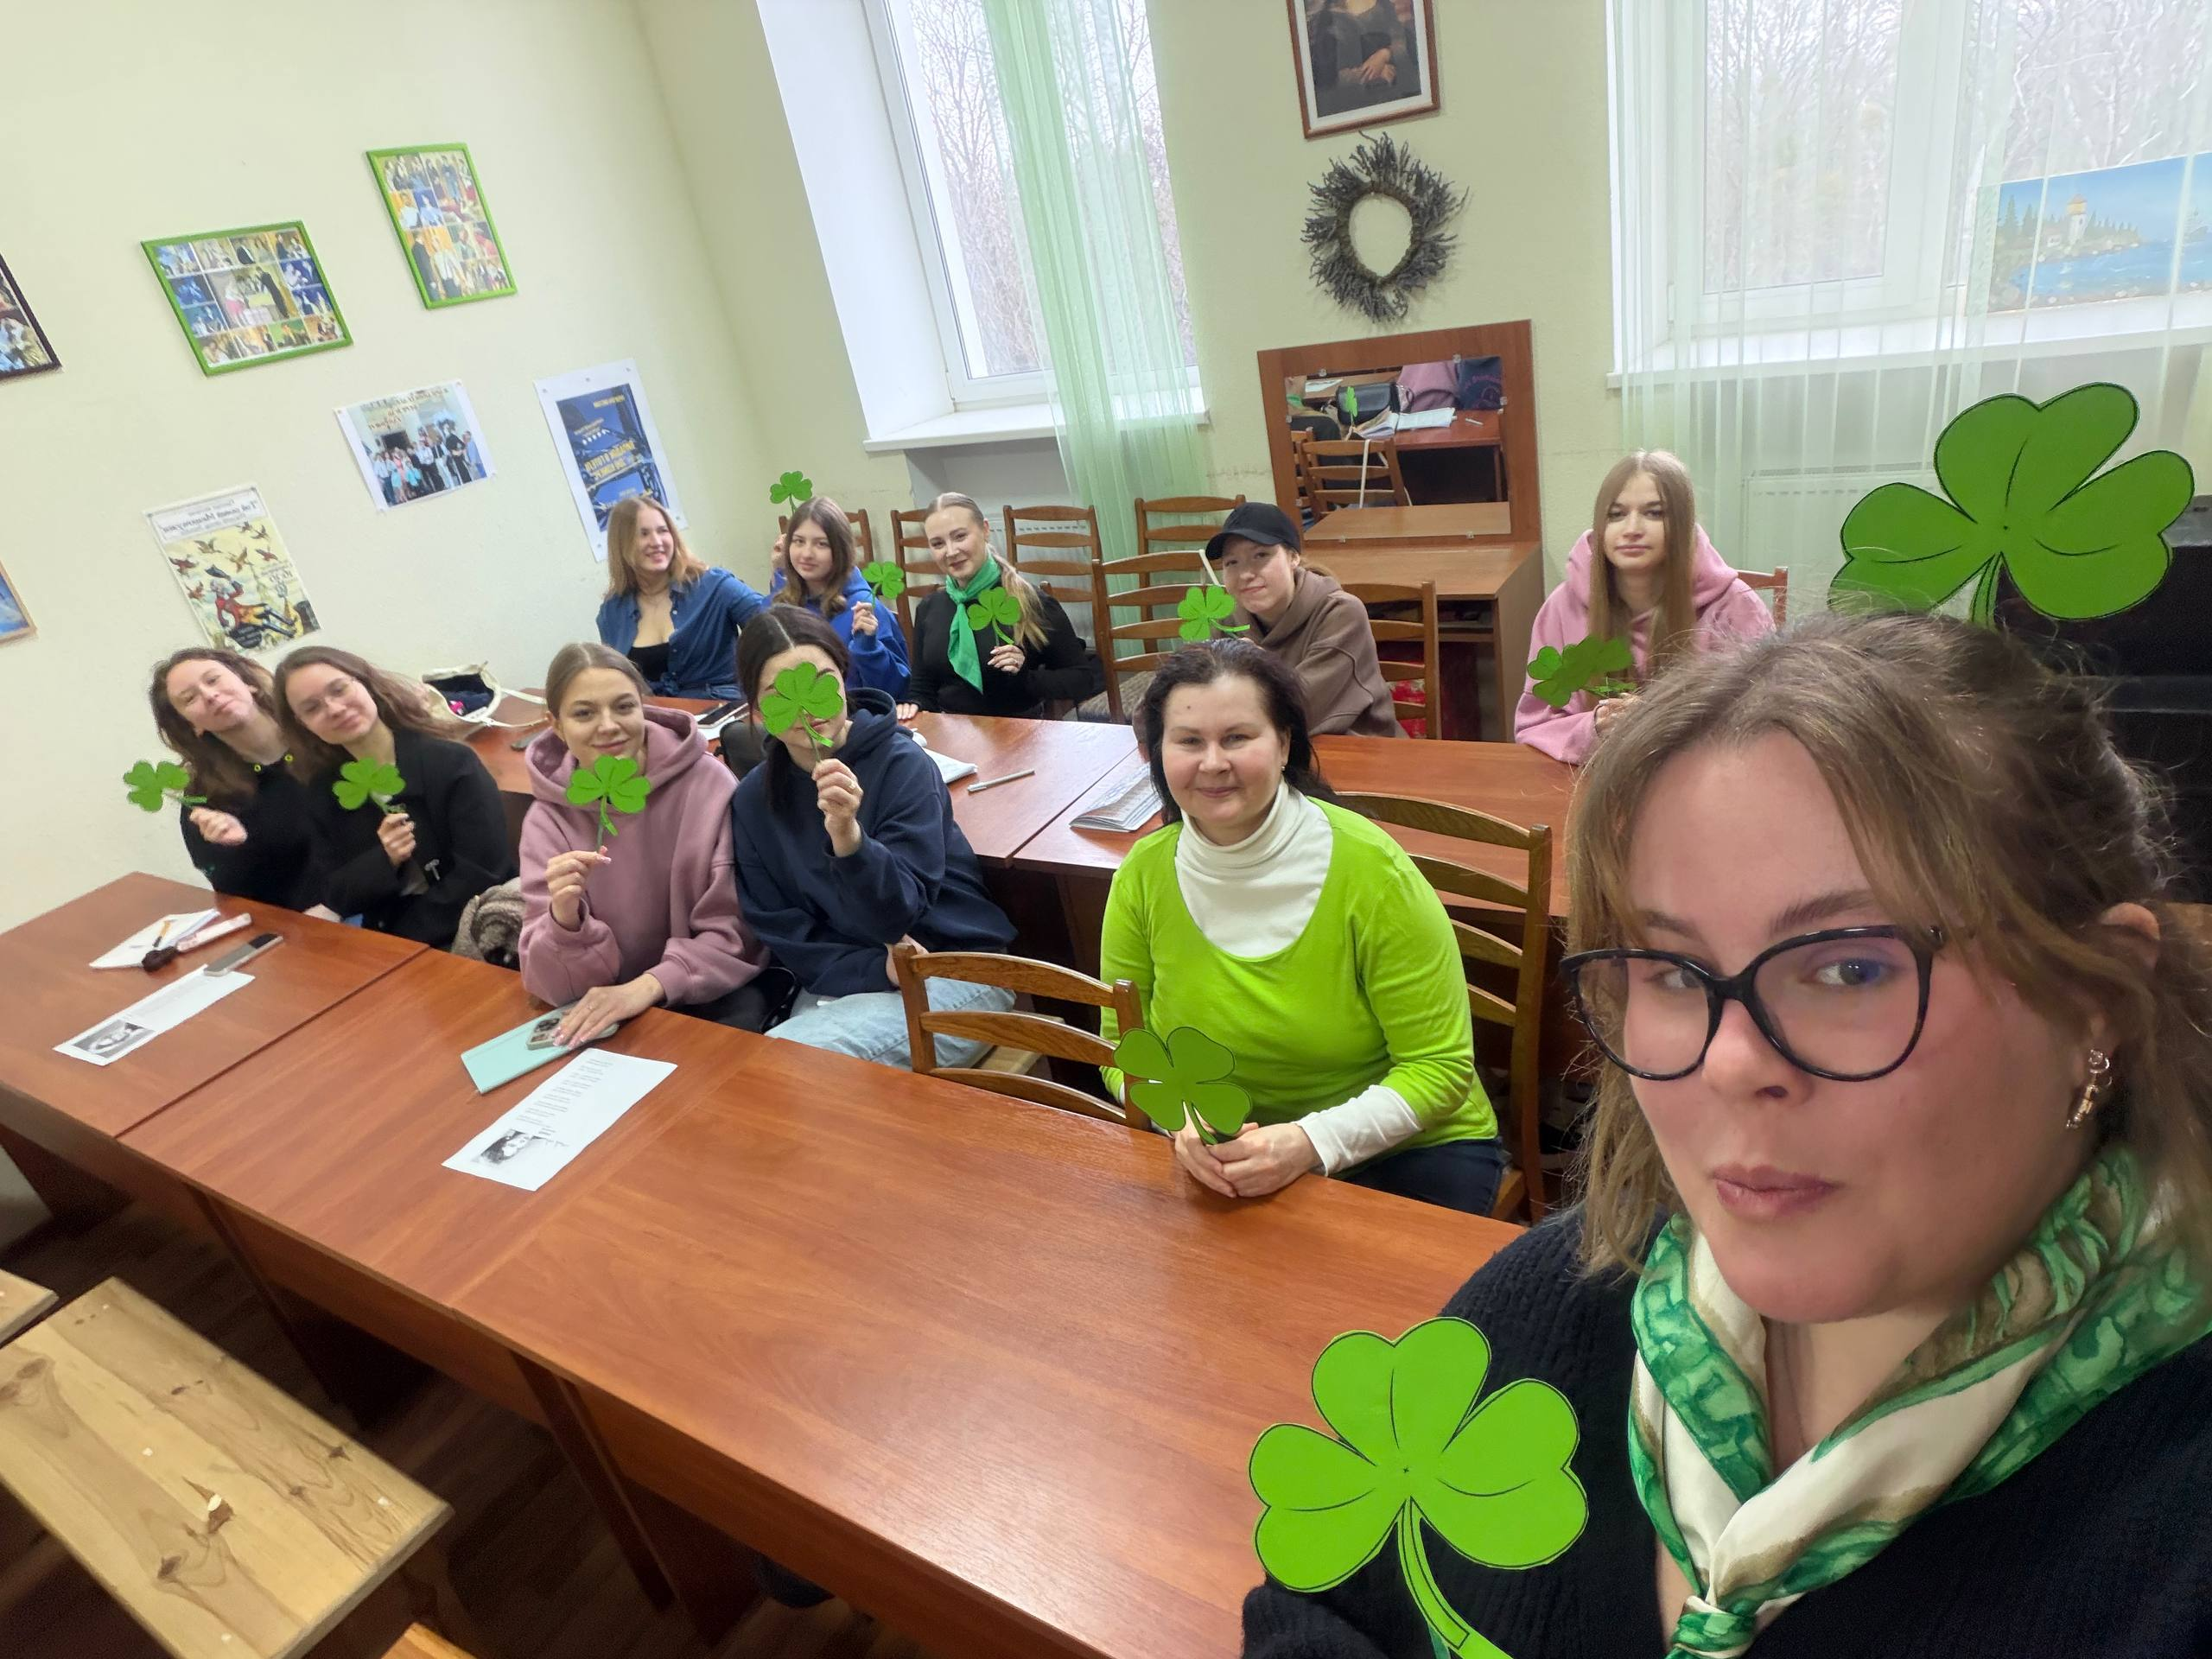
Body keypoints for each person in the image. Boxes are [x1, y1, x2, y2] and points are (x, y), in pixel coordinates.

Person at [1243, 612, 2212, 1658]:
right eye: (1671, 971)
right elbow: (1325, 1603)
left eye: (1850, 967)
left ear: (2094, 1001)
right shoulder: (1555, 1310)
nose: (1728, 1062)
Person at [1098, 641, 1503, 1213]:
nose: (1212, 763)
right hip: (1228, 1154)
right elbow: (1120, 1048)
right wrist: (1180, 1119)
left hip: (1405, 1147)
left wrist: (1308, 1142)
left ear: (1285, 744)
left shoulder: (1373, 871)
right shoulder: (1142, 874)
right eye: (1188, 741)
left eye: (1237, 738)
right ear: (1158, 753)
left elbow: (1439, 1070)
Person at [730, 607, 1018, 1069]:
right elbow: (784, 929)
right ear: (758, 710)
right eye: (780, 693)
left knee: (791, 1068)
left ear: (844, 679)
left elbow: (899, 916)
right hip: (845, 983)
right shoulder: (752, 800)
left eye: (820, 681)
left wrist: (849, 839)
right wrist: (870, 969)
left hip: (949, 968)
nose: (806, 705)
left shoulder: (903, 764)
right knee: (778, 1070)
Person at [518, 643, 775, 1041]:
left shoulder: (708, 785)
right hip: (608, 1011)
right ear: (556, 725)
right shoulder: (546, 820)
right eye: (584, 713)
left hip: (707, 998)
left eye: (624, 707)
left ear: (643, 707)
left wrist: (648, 987)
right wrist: (564, 921)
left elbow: (738, 933)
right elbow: (554, 987)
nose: (608, 726)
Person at [1514, 449, 1773, 765]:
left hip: (1701, 778)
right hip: (1592, 779)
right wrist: (1596, 727)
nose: (1632, 528)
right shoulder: (1561, 607)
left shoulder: (1736, 606)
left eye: (1654, 513)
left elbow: (1763, 721)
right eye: (1616, 514)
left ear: (1683, 524)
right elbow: (1535, 725)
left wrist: (1660, 725)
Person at [275, 645, 515, 947]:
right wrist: (385, 859)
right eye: (312, 708)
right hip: (389, 938)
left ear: (365, 683)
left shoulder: (451, 763)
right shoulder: (324, 790)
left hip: (474, 929)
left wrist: (401, 936)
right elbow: (335, 893)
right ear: (302, 723)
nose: (334, 709)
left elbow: (484, 872)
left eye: (339, 690)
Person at [149, 645, 324, 911]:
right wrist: (237, 848)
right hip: (312, 924)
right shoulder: (206, 798)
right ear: (191, 725)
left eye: (213, 680)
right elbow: (236, 901)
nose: (210, 695)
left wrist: (336, 903)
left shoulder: (321, 731)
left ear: (247, 682)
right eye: (190, 698)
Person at [1210, 500, 1402, 739]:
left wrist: (1260, 668)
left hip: (1354, 746)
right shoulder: (1227, 621)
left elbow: (1298, 709)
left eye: (1261, 555)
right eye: (1231, 562)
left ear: (1293, 557)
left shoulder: (1340, 613)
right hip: (1266, 748)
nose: (1245, 574)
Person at [902, 492, 1102, 719]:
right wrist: (914, 704)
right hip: (954, 729)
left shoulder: (1030, 602)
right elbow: (922, 686)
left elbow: (1082, 679)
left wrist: (1025, 675)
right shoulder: (929, 608)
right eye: (938, 544)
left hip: (1018, 727)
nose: (951, 551)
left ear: (985, 530)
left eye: (960, 536)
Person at [594, 495, 766, 701]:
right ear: (621, 544)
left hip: (723, 711)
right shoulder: (611, 613)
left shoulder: (715, 586)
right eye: (643, 534)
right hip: (656, 717)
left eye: (663, 531)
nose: (656, 542)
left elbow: (776, 627)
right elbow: (616, 682)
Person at [770, 497, 909, 699]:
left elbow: (897, 693)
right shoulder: (779, 602)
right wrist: (778, 575)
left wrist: (869, 649)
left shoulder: (864, 608)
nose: (806, 554)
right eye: (799, 541)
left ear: (841, 550)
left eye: (821, 544)